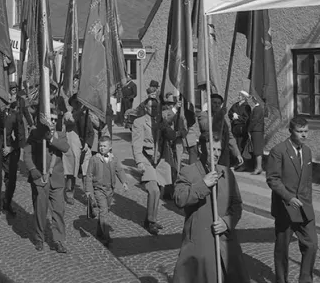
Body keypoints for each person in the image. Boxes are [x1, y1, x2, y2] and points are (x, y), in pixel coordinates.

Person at [172, 137, 249, 283]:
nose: (216, 153)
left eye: (219, 150)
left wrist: (226, 223)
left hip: (225, 243)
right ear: (201, 149)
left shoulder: (226, 173)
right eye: (212, 149)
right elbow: (179, 199)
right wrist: (203, 184)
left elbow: (237, 205)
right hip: (200, 243)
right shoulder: (188, 172)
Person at [266, 116, 317, 283]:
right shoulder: (278, 151)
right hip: (285, 208)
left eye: (305, 132)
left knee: (311, 245)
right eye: (300, 131)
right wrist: (288, 197)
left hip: (304, 207)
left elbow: (307, 180)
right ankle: (281, 280)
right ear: (290, 131)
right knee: (282, 249)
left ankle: (305, 279)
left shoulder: (307, 151)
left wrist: (307, 200)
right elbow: (273, 179)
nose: (304, 135)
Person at [24, 108, 70, 253]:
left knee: (58, 211)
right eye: (51, 119)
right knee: (40, 210)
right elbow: (27, 153)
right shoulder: (35, 133)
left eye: (56, 120)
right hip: (40, 177)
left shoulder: (60, 134)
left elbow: (65, 148)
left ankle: (59, 240)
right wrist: (32, 170)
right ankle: (39, 238)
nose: (53, 122)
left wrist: (50, 138)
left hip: (56, 178)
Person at [132, 97, 173, 235]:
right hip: (147, 158)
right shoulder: (139, 122)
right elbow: (136, 144)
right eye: (151, 107)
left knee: (159, 191)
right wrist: (139, 162)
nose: (154, 109)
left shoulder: (161, 121)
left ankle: (151, 218)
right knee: (153, 190)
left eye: (156, 107)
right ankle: (151, 221)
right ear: (145, 107)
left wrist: (166, 127)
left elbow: (171, 136)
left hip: (160, 160)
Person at [85, 136, 128, 246]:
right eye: (100, 146)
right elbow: (89, 176)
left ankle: (99, 232)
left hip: (110, 190)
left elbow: (119, 170)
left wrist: (124, 182)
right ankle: (106, 236)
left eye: (104, 146)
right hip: (98, 189)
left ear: (110, 147)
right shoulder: (94, 159)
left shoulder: (114, 159)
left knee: (105, 210)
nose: (102, 148)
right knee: (103, 210)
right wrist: (88, 190)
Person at [63, 94, 95, 205]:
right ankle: (69, 194)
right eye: (76, 102)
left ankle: (89, 196)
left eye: (80, 102)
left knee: (87, 174)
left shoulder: (86, 116)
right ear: (72, 104)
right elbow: (71, 120)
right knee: (71, 172)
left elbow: (91, 132)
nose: (78, 105)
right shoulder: (68, 115)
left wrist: (87, 144)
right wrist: (81, 111)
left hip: (85, 149)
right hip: (73, 149)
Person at [198, 94, 243, 168]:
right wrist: (219, 116)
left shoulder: (223, 119)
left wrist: (237, 153)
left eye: (219, 103)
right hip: (210, 152)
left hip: (223, 153)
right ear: (209, 103)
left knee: (223, 175)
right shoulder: (203, 115)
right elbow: (205, 127)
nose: (217, 105)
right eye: (214, 103)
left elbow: (230, 136)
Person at [228, 92, 252, 171]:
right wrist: (232, 116)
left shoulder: (246, 107)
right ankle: (234, 162)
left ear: (244, 97)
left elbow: (247, 118)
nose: (238, 97)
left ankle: (240, 164)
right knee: (234, 145)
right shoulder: (235, 105)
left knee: (240, 146)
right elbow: (230, 113)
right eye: (239, 95)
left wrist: (238, 117)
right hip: (234, 128)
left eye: (240, 96)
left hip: (242, 129)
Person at [244, 91, 265, 175]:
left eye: (253, 98)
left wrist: (249, 129)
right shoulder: (259, 108)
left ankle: (258, 168)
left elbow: (254, 120)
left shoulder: (258, 108)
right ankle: (258, 167)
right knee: (257, 149)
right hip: (257, 130)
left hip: (256, 131)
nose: (252, 99)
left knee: (257, 150)